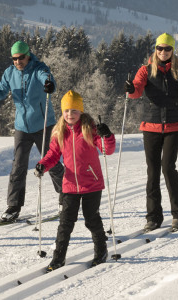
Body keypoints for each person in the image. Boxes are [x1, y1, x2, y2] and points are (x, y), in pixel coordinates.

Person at [33, 90, 116, 272]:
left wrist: (107, 136)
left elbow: (106, 150)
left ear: (81, 112)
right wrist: (42, 165)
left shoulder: (90, 129)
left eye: (74, 111)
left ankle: (101, 251)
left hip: (91, 184)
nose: (70, 114)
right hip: (69, 184)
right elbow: (53, 154)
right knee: (65, 223)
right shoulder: (60, 131)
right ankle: (58, 258)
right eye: (67, 111)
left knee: (91, 219)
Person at [0, 40, 64, 222]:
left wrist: (49, 84)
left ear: (28, 55)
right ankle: (13, 206)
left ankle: (66, 195)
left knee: (50, 161)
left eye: (20, 58)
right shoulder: (10, 72)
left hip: (43, 124)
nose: (17, 61)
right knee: (18, 165)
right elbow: (0, 93)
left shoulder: (38, 68)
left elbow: (47, 77)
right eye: (14, 58)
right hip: (22, 126)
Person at [124, 33, 178, 232]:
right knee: (152, 171)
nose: (163, 52)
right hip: (151, 127)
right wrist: (130, 88)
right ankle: (153, 217)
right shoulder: (145, 70)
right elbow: (136, 91)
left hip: (173, 126)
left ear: (173, 50)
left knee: (168, 168)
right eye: (159, 48)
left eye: (167, 49)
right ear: (155, 49)